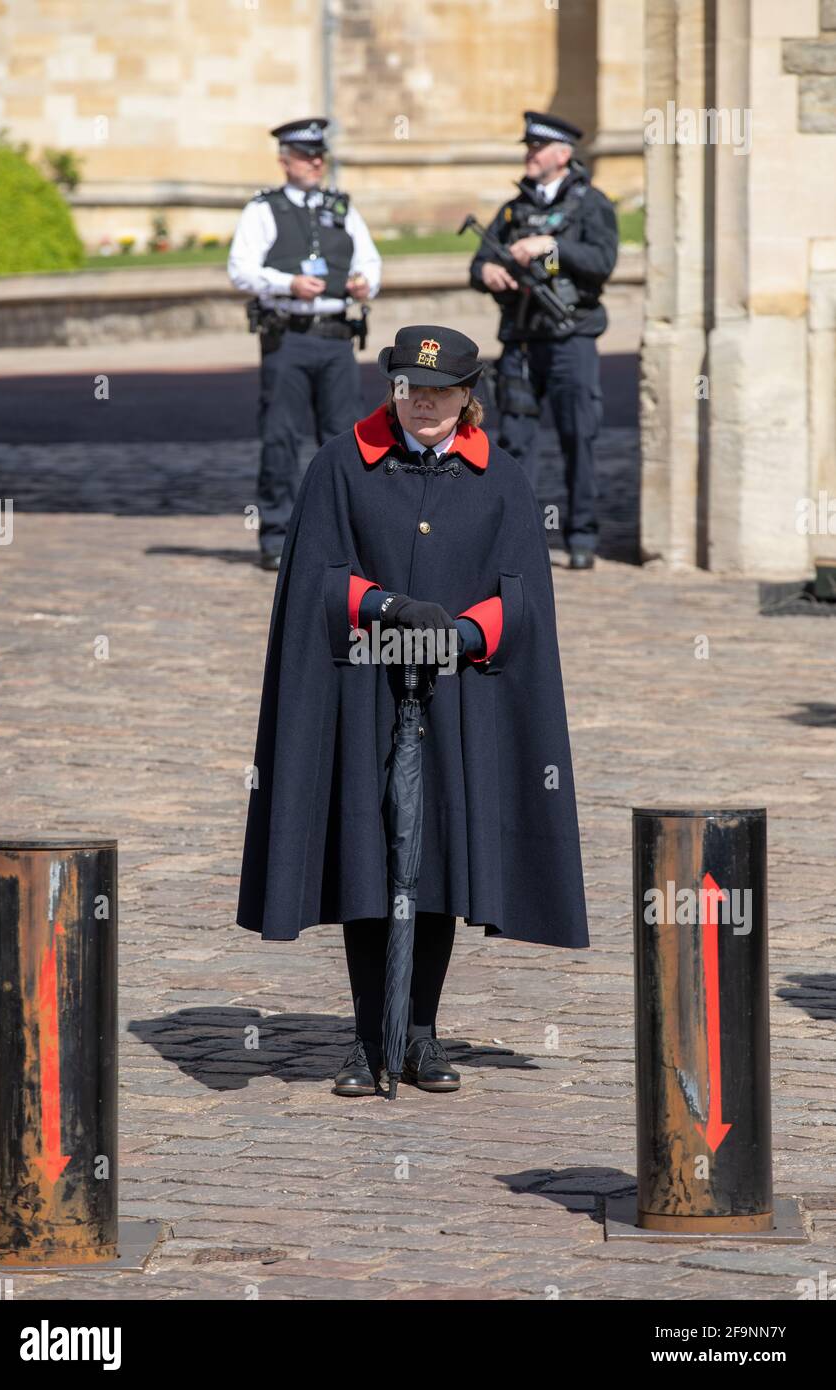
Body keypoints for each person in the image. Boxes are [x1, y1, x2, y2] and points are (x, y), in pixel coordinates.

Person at [235, 324, 589, 1098]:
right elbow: (315, 580)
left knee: (431, 864)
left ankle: (421, 1034)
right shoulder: (340, 464)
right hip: (364, 687)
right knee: (370, 860)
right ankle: (369, 1039)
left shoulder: (502, 479)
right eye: (410, 388)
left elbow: (523, 597)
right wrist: (387, 605)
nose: (423, 403)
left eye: (440, 392)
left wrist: (465, 631)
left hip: (457, 693)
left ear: (469, 399)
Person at [228, 117, 382, 570]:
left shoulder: (342, 206)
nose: (315, 163)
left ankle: (346, 537)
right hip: (288, 338)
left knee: (345, 440)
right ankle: (276, 536)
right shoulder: (263, 209)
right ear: (284, 161)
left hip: (335, 339)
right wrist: (287, 283)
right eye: (305, 156)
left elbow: (371, 261)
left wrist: (363, 283)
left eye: (320, 156)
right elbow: (240, 269)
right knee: (280, 437)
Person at [469, 110, 618, 569]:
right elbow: (477, 266)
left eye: (537, 149)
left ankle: (581, 536)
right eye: (528, 148)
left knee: (579, 436)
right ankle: (518, 538)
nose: (529, 156)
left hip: (570, 339)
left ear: (562, 154)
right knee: (515, 439)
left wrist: (551, 245)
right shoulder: (514, 209)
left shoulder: (591, 204)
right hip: (521, 340)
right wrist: (488, 272)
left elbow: (603, 261)